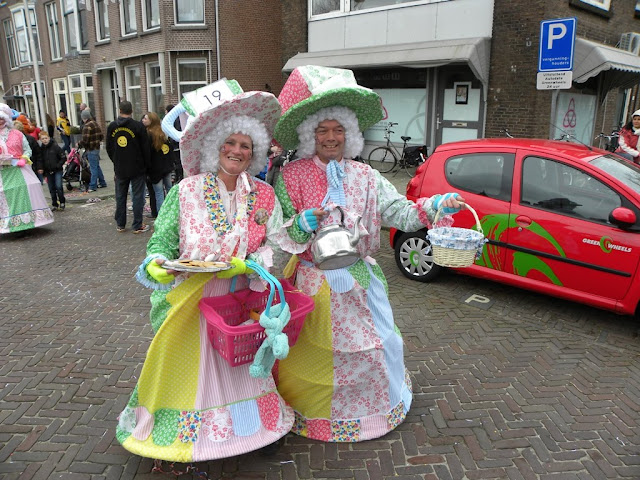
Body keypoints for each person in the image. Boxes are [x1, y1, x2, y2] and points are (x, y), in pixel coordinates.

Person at [271, 66, 464, 442]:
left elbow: (402, 213)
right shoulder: (291, 176)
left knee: (374, 346)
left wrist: (436, 205)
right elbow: (280, 232)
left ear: (350, 133)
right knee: (316, 353)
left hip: (359, 280)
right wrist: (302, 223)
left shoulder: (366, 176)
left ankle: (371, 414)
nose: (331, 137)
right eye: (323, 130)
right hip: (312, 282)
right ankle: (314, 415)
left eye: (338, 129)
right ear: (311, 133)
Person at [116, 81, 293, 462]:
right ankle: (179, 435)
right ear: (215, 145)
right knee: (187, 370)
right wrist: (156, 266)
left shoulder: (264, 194)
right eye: (229, 142)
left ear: (255, 152)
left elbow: (276, 240)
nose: (236, 151)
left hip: (238, 299)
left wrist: (260, 259)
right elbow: (160, 245)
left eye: (245, 145)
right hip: (191, 301)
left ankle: (252, 428)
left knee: (240, 366)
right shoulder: (186, 191)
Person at [0, 103, 53, 234]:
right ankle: (9, 224)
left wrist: (24, 158)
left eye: (2, 118)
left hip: (19, 169)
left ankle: (28, 222)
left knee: (26, 191)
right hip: (2, 172)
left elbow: (27, 149)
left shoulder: (17, 133)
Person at [106, 101, 151, 234]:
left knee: (120, 196)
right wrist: (146, 166)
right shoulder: (138, 126)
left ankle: (120, 224)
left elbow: (109, 147)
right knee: (137, 196)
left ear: (119, 110)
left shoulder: (112, 126)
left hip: (120, 168)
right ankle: (137, 225)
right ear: (131, 111)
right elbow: (145, 149)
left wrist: (116, 161)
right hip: (137, 168)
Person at [141, 112, 174, 218]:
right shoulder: (164, 133)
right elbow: (169, 150)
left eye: (145, 118)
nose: (143, 120)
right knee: (169, 190)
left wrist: (147, 168)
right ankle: (172, 212)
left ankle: (161, 215)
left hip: (155, 168)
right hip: (166, 167)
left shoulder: (148, 135)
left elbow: (147, 153)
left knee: (158, 192)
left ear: (151, 121)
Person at [78, 108, 107, 192]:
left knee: (93, 168)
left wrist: (79, 144)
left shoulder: (87, 126)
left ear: (84, 118)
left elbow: (85, 140)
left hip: (91, 149)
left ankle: (93, 186)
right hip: (97, 148)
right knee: (96, 166)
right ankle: (102, 182)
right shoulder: (95, 123)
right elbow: (101, 136)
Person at [39, 131, 66, 211]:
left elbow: (63, 157)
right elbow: (41, 160)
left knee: (58, 186)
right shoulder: (41, 150)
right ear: (40, 140)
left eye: (46, 138)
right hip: (48, 171)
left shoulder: (55, 147)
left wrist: (58, 165)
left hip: (57, 170)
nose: (45, 140)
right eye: (42, 139)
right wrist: (42, 169)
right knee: (51, 188)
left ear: (49, 138)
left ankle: (62, 201)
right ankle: (54, 203)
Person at [14, 119, 43, 185]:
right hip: (18, 168)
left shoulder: (30, 139)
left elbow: (38, 153)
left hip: (32, 166)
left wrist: (39, 167)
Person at [165, 104, 183, 183]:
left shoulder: (174, 120)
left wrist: (172, 142)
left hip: (176, 145)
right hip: (176, 144)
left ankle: (179, 176)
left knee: (177, 161)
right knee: (176, 161)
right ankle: (178, 176)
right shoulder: (177, 119)